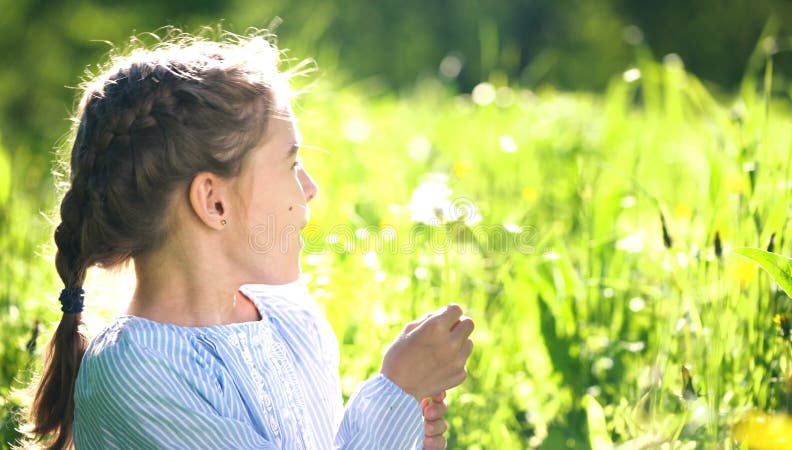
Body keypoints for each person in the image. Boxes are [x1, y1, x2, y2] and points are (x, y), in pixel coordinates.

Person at [25, 30, 474, 450]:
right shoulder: (133, 371)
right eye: (292, 162)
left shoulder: (289, 315)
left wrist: (401, 432)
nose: (311, 187)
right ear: (214, 202)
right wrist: (392, 393)